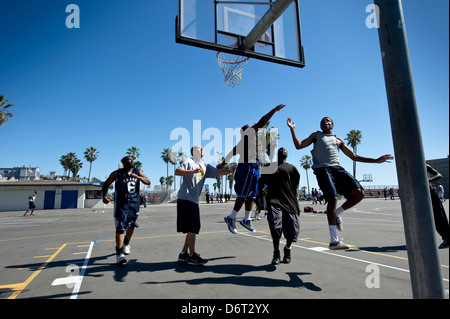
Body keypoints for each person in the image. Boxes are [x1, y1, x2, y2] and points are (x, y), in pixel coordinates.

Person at [287, 116, 393, 250]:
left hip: (337, 168)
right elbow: (298, 146)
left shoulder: (338, 140)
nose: (325, 122)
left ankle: (337, 213)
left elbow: (354, 157)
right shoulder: (316, 136)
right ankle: (334, 240)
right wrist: (292, 130)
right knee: (332, 197)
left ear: (332, 125)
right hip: (322, 169)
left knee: (359, 193)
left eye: (327, 121)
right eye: (322, 122)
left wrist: (376, 160)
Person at [222, 104, 286, 234]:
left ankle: (246, 219)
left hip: (255, 168)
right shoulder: (247, 137)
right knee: (243, 195)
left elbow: (230, 154)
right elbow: (262, 122)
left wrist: (223, 163)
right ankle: (232, 217)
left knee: (251, 196)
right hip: (247, 167)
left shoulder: (252, 142)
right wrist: (273, 110)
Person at [176, 146, 236, 265]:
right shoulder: (188, 162)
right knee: (193, 227)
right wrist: (192, 171)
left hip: (193, 200)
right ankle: (192, 255)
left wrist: (230, 171)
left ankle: (183, 254)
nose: (202, 150)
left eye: (202, 149)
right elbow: (177, 172)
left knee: (191, 228)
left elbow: (219, 172)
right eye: (199, 149)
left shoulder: (205, 166)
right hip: (185, 198)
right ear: (193, 152)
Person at [102, 156, 151, 265]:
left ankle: (126, 244)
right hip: (121, 204)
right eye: (128, 161)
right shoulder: (117, 173)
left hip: (134, 203)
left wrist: (137, 177)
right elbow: (106, 184)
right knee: (120, 228)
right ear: (124, 163)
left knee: (132, 225)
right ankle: (119, 254)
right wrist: (104, 196)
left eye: (132, 160)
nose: (131, 162)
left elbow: (148, 182)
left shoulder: (137, 171)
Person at [259, 148, 301, 264]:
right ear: (277, 154)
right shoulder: (268, 167)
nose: (283, 149)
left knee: (292, 229)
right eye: (280, 149)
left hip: (290, 202)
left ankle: (287, 249)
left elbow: (296, 186)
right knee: (275, 227)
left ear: (286, 155)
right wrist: (260, 196)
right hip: (274, 201)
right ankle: (276, 252)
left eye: (284, 149)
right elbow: (260, 183)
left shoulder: (293, 169)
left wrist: (297, 201)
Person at [426, 164, 449, 249]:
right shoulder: (407, 167)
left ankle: (447, 237)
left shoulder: (424, 166)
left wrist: (429, 179)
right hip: (417, 195)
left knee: (438, 215)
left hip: (429, 192)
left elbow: (439, 175)